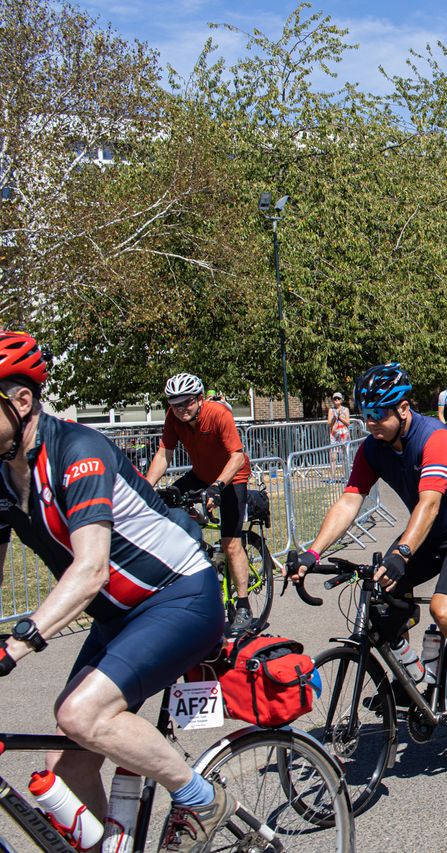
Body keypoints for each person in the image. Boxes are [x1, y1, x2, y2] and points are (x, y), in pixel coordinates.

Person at [0, 331, 231, 850]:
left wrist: (15, 645)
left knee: (80, 714)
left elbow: (90, 570)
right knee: (62, 767)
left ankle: (201, 798)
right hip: (117, 616)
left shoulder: (77, 451)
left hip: (179, 596)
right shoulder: (2, 476)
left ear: (21, 402)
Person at [294, 363, 447, 735]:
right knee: (378, 598)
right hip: (428, 532)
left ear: (403, 409)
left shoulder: (434, 437)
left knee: (444, 610)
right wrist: (313, 553)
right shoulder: (373, 449)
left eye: (378, 414)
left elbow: (429, 503)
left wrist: (401, 553)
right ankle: (416, 675)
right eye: (366, 415)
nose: (370, 423)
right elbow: (349, 501)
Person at [144, 372, 255, 636]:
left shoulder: (218, 414)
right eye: (175, 404)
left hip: (232, 476)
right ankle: (199, 541)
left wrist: (217, 487)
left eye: (187, 402)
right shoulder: (174, 418)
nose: (182, 409)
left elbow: (237, 457)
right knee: (165, 502)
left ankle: (243, 606)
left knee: (231, 543)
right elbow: (164, 453)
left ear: (200, 399)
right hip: (201, 473)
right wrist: (145, 487)